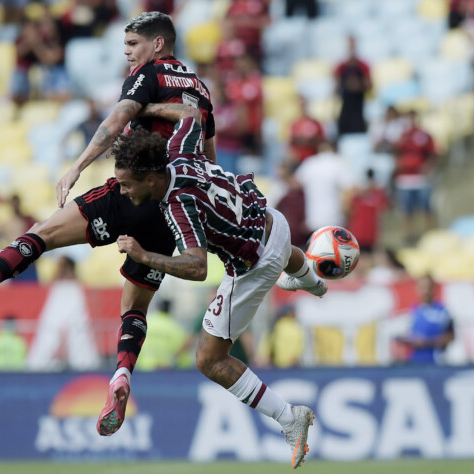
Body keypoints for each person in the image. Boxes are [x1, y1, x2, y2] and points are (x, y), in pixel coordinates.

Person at [0, 11, 215, 435]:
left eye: (132, 45)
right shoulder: (200, 90)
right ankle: (122, 374)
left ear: (157, 45)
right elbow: (210, 163)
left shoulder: (149, 74)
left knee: (44, 233)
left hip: (131, 191)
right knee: (135, 305)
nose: (127, 54)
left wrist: (77, 166)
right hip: (172, 206)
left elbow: (115, 121)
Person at [112, 103, 326, 468]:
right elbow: (191, 114)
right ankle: (313, 281)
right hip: (273, 221)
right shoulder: (179, 151)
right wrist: (147, 106)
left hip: (256, 264)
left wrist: (144, 255)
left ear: (150, 180)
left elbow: (196, 267)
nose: (123, 191)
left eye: (126, 184)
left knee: (208, 359)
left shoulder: (177, 205)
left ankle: (290, 417)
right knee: (282, 251)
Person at [393, 110, 438, 242]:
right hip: (404, 178)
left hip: (420, 178)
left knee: (426, 206)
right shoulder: (402, 136)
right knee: (407, 209)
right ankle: (410, 234)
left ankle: (428, 233)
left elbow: (433, 153)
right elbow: (396, 152)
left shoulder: (424, 135)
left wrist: (429, 167)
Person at [294, 140, 356, 232]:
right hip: (334, 218)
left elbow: (295, 184)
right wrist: (347, 212)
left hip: (313, 218)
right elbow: (352, 188)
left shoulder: (310, 163)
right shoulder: (338, 162)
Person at [396, 275, 455, 364]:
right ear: (416, 288)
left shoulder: (443, 312)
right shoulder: (410, 312)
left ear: (434, 289)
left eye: (428, 287)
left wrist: (426, 342)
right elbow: (402, 337)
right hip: (413, 363)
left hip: (436, 363)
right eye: (422, 287)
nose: (425, 291)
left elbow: (450, 337)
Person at [334, 36, 372, 136]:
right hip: (346, 105)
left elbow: (369, 86)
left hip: (358, 106)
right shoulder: (341, 66)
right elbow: (336, 90)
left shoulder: (363, 65)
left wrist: (358, 85)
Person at [288, 95, 325, 165]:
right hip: (299, 161)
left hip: (313, 160)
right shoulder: (293, 124)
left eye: (304, 104)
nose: (302, 107)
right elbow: (291, 144)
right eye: (300, 105)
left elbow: (322, 141)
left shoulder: (315, 123)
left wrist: (308, 141)